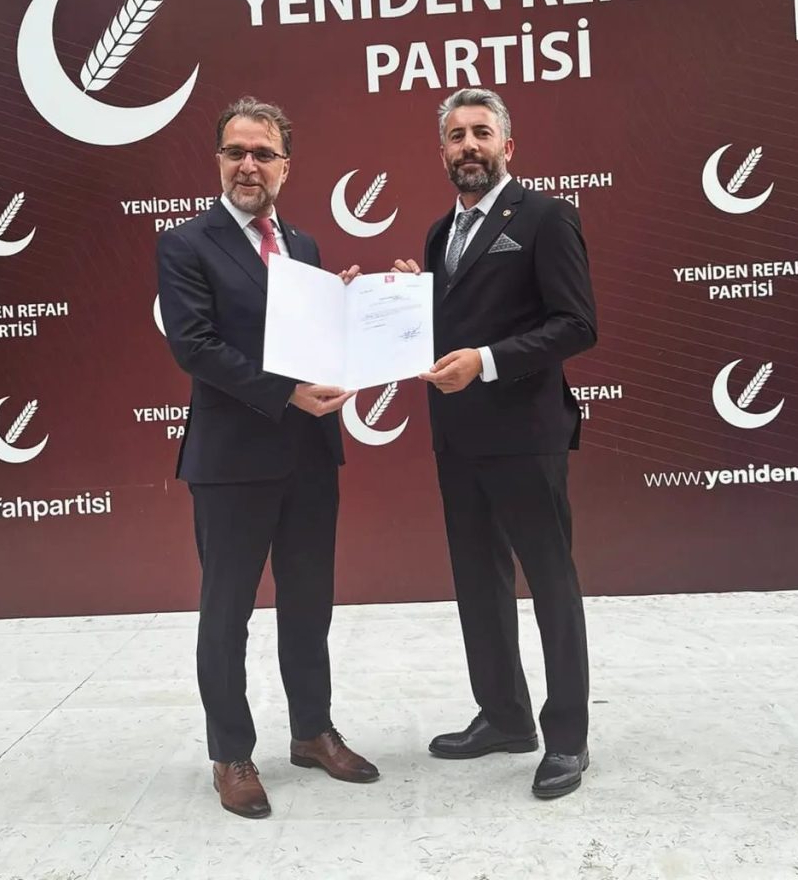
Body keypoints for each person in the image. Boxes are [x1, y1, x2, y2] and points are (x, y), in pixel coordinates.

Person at [156, 96, 378, 819]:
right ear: (218, 160)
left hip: (309, 454)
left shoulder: (305, 247)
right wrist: (286, 395)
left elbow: (309, 339)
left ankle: (312, 732)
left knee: (309, 604)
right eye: (235, 152)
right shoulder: (186, 243)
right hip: (232, 460)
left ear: (286, 165)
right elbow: (195, 346)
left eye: (262, 153)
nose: (247, 165)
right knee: (227, 614)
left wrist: (356, 308)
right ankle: (231, 754)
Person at [393, 87, 597, 799]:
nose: (469, 145)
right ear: (443, 152)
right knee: (478, 583)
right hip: (457, 438)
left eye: (481, 132)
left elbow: (576, 324)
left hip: (526, 435)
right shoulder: (436, 234)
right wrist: (404, 301)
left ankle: (567, 737)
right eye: (456, 136)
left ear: (507, 146)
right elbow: (450, 320)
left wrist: (485, 361)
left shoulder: (546, 216)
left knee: (550, 582)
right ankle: (505, 716)